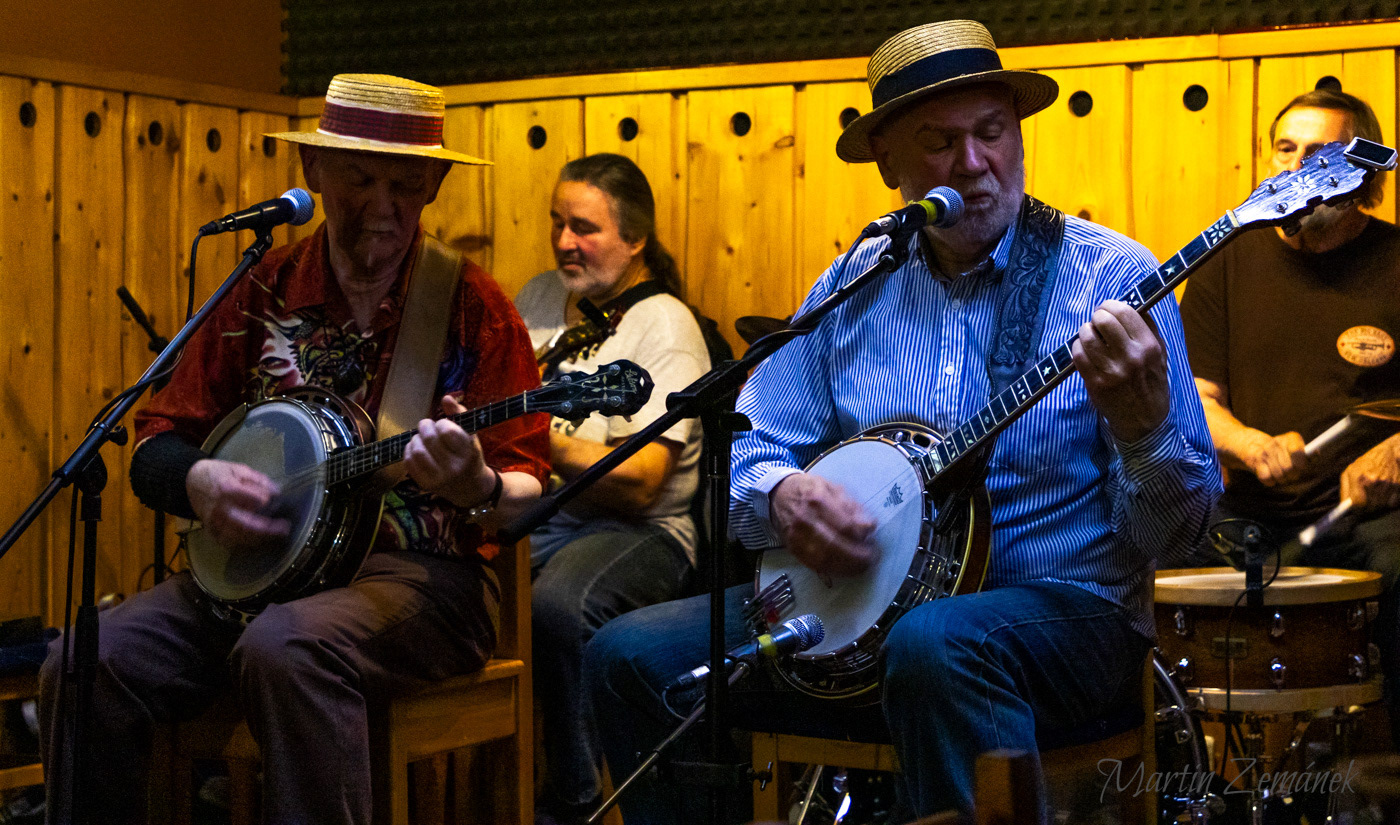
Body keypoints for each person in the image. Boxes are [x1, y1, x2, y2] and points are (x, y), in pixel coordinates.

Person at [583, 19, 1220, 823]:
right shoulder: (854, 281)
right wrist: (781, 496)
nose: (974, 163)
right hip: (866, 608)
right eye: (940, 142)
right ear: (888, 161)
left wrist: (1143, 430)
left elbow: (1182, 535)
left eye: (992, 132)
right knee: (627, 656)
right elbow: (753, 443)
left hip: (1066, 611)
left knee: (937, 641)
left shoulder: (1113, 278)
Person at [37, 74, 550, 825]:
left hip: (421, 583)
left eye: (406, 185)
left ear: (435, 184)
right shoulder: (259, 290)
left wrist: (476, 482)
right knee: (86, 661)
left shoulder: (474, 307)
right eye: (360, 180)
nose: (383, 206)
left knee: (287, 648)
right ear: (313, 170)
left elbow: (529, 486)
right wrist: (200, 479)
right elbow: (155, 443)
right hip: (255, 577)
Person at [1180, 90, 1400, 731]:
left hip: (1373, 516)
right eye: (1287, 149)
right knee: (1152, 565)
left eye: (1324, 151)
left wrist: (1395, 452)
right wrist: (1250, 444)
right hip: (1250, 513)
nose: (1301, 165)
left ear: (1366, 172)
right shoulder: (1226, 259)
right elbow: (1201, 398)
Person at [514, 153, 711, 823]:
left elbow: (642, 483)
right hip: (532, 518)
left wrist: (537, 437)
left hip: (640, 533)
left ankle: (575, 802)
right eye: (557, 223)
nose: (564, 241)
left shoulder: (664, 325)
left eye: (584, 228)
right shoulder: (538, 297)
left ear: (636, 239)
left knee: (559, 604)